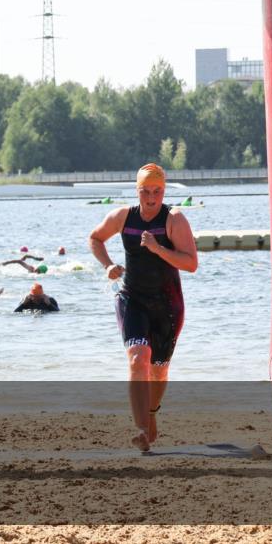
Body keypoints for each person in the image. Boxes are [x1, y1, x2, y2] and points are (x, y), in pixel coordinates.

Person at [88, 163, 198, 452]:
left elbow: (191, 264)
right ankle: (140, 430)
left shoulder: (174, 219)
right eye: (145, 191)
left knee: (159, 371)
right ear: (137, 191)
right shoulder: (123, 216)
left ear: (163, 191)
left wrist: (159, 249)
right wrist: (108, 264)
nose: (151, 198)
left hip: (168, 305)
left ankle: (150, 416)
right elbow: (95, 238)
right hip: (132, 299)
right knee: (138, 359)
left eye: (157, 191)